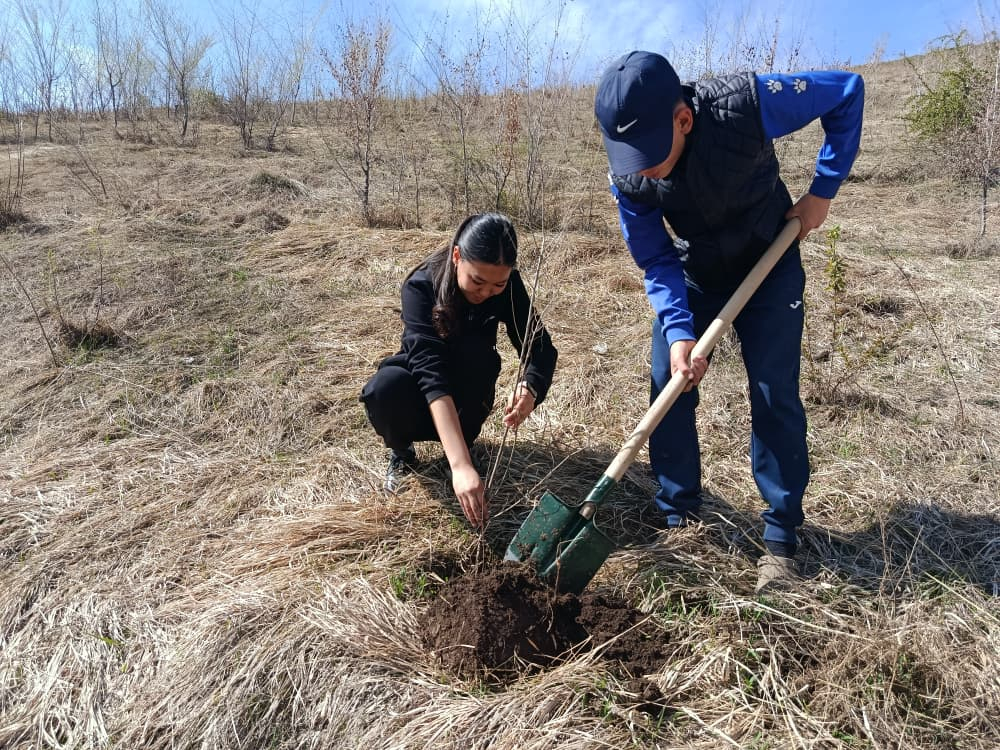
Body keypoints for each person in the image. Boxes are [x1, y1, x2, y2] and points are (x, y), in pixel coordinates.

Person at [594, 51, 864, 592]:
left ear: (683, 119)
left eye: (648, 153)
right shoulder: (631, 176)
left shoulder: (745, 106)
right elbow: (656, 257)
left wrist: (822, 192)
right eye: (630, 156)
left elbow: (845, 92)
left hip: (770, 260)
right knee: (668, 383)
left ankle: (781, 538)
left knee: (773, 392)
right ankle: (678, 515)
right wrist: (679, 331)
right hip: (697, 273)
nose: (640, 169)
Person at [360, 212, 557, 528]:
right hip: (421, 386)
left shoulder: (507, 287)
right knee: (385, 388)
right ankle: (403, 452)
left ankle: (463, 440)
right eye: (477, 281)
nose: (486, 292)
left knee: (477, 357)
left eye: (498, 284)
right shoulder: (421, 286)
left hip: (470, 386)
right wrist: (461, 465)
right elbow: (429, 371)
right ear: (456, 257)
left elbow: (540, 347)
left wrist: (530, 386)